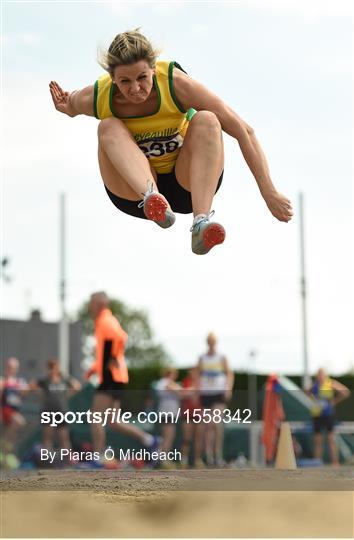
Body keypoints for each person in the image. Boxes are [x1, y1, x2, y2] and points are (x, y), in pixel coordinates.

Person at [49, 28, 293, 255]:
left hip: (188, 184)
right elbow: (70, 105)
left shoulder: (176, 84)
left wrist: (268, 191)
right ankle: (153, 200)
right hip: (133, 194)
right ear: (111, 77)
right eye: (125, 81)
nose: (135, 89)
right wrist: (65, 106)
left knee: (208, 119)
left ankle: (201, 224)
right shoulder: (98, 95)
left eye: (142, 77)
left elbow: (244, 131)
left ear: (154, 69)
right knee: (108, 126)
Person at [86, 291, 159, 466]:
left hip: (111, 376)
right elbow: (110, 347)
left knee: (95, 416)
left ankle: (98, 457)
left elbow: (118, 338)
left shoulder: (105, 320)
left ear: (101, 304)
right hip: (116, 376)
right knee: (113, 421)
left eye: (92, 303)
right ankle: (150, 441)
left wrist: (107, 364)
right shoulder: (106, 320)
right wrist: (95, 368)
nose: (90, 307)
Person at [194, 332, 234, 468]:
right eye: (209, 341)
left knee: (216, 423)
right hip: (205, 394)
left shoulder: (222, 357)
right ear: (207, 342)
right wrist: (196, 389)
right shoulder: (202, 358)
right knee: (207, 426)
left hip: (218, 393)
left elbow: (229, 373)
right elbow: (197, 375)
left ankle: (218, 455)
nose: (211, 343)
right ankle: (209, 455)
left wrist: (228, 388)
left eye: (213, 341)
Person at [30, 359, 81, 456]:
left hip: (61, 411)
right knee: (47, 437)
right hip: (48, 411)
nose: (52, 369)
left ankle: (68, 460)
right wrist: (39, 394)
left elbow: (77, 386)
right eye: (50, 367)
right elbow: (32, 385)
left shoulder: (63, 379)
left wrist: (68, 394)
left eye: (54, 367)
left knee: (64, 438)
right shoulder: (45, 380)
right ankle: (47, 460)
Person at [308, 368, 350, 466]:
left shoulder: (330, 383)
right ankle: (316, 462)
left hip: (328, 415)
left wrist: (334, 401)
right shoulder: (315, 385)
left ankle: (335, 462)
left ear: (325, 375)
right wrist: (314, 401)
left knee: (331, 438)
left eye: (322, 374)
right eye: (318, 374)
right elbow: (308, 393)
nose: (320, 376)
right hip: (317, 415)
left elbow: (345, 392)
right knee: (318, 439)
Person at [0, 357, 28, 465]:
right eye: (9, 367)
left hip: (15, 411)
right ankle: (5, 449)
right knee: (18, 421)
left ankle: (6, 453)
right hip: (6, 411)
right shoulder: (2, 381)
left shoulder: (19, 382)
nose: (11, 369)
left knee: (14, 430)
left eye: (13, 367)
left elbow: (24, 394)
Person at [154, 367, 182, 469]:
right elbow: (177, 390)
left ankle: (161, 459)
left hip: (169, 414)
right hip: (167, 414)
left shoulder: (169, 383)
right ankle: (162, 460)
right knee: (168, 438)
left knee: (167, 438)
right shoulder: (164, 382)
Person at [180, 367, 201, 469]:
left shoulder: (201, 382)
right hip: (187, 414)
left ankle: (197, 460)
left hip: (199, 415)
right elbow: (183, 394)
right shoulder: (186, 382)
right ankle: (184, 460)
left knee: (198, 439)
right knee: (186, 438)